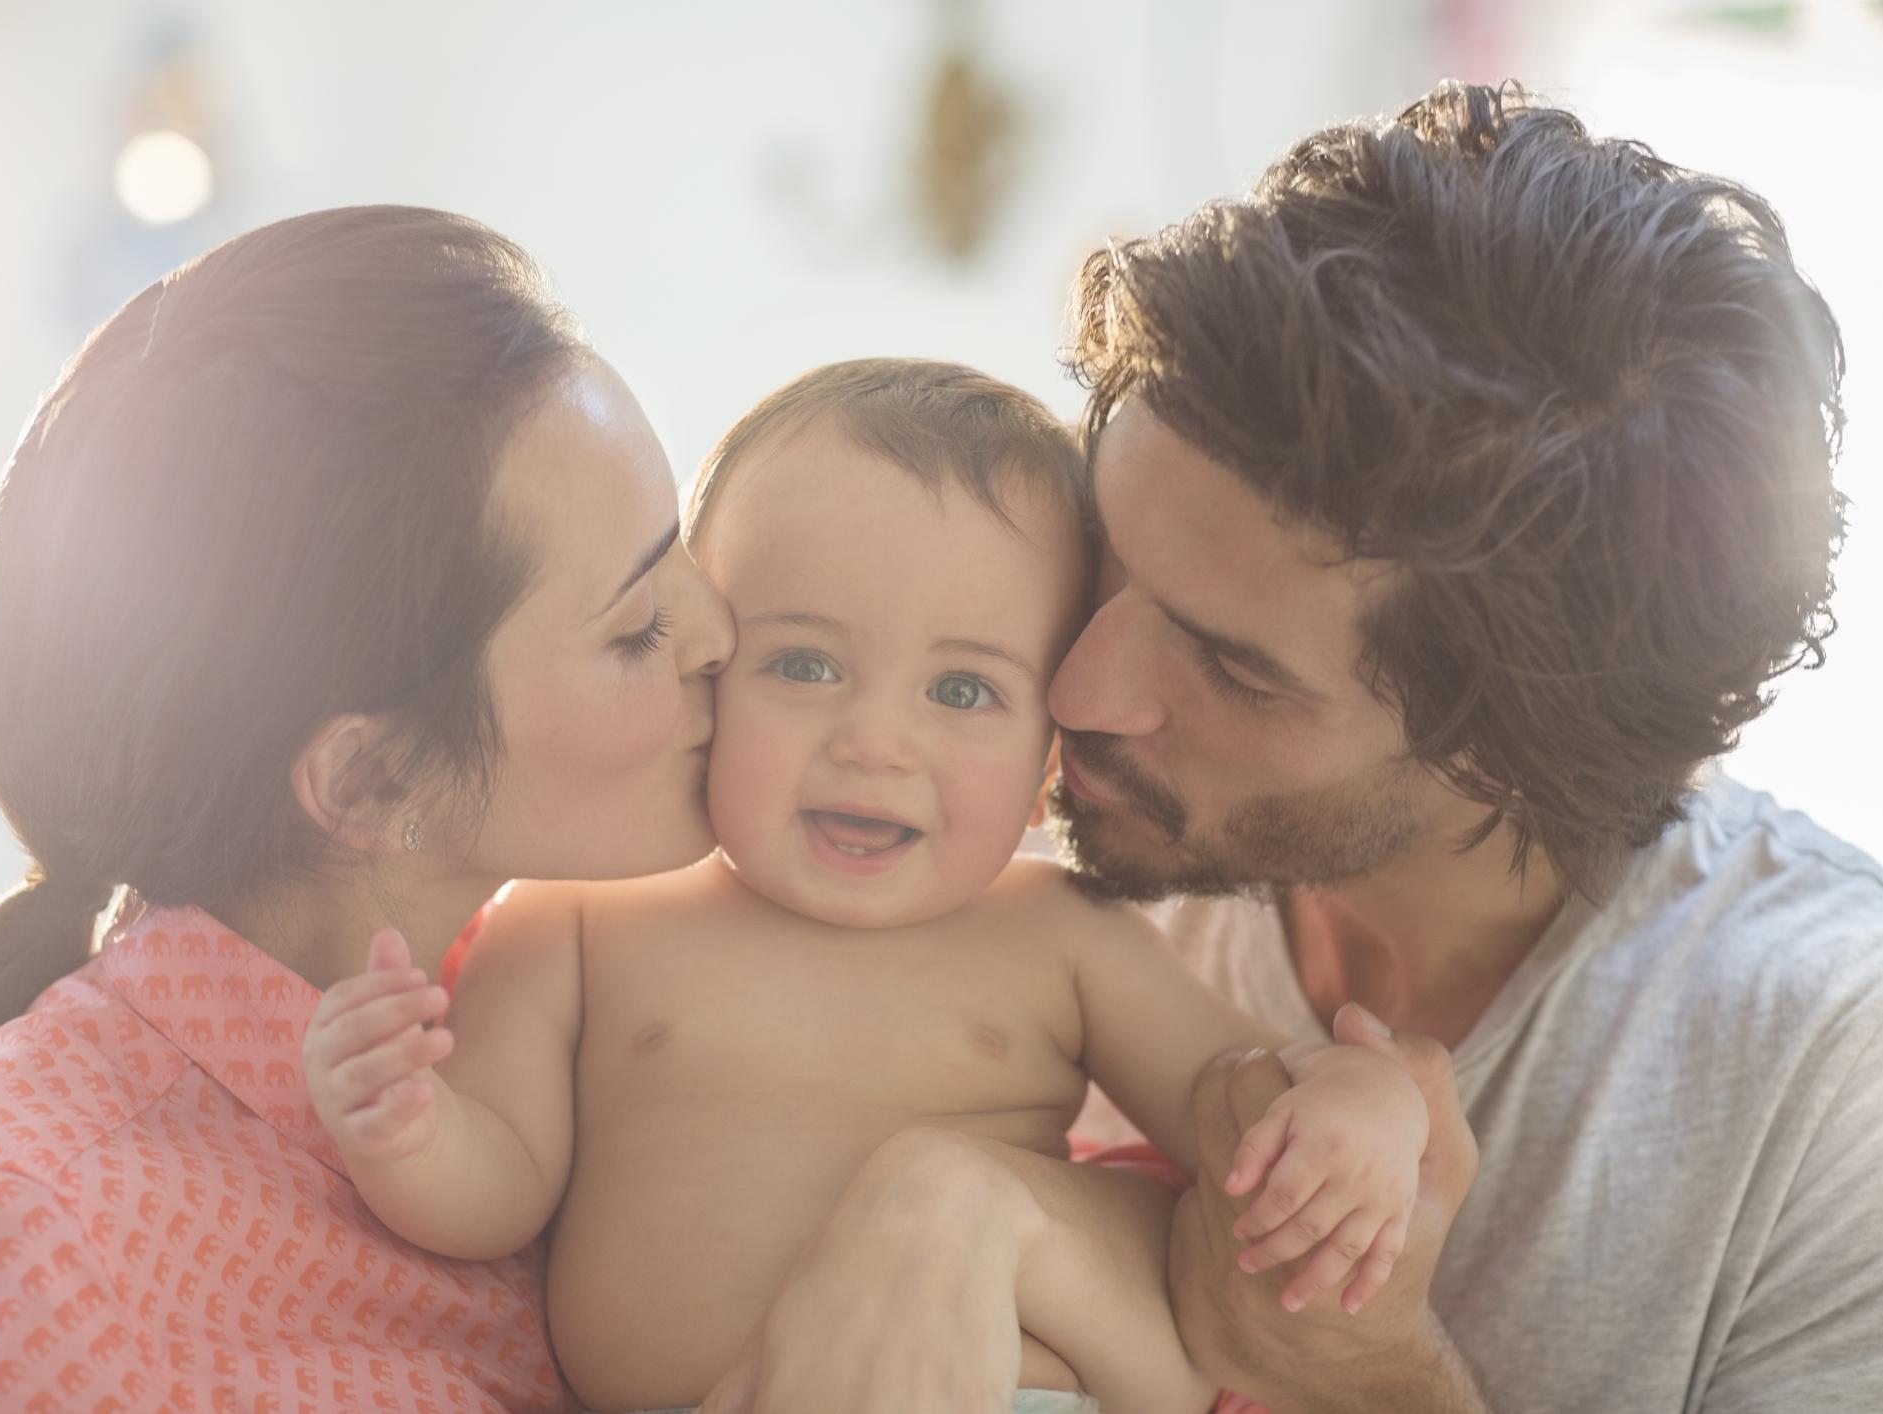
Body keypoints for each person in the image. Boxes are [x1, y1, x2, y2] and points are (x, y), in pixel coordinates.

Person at [703, 81, 1881, 1413]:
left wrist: (1374, 1377)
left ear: (1503, 749)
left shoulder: (1832, 1069)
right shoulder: (959, 831)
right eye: (1110, 548)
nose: (1078, 691)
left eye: (1227, 664)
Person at [301, 360, 1433, 1414]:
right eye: (804, 665)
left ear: (1050, 758)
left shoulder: (1055, 933)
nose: (876, 742)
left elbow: (1237, 1103)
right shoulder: (579, 916)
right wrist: (403, 1127)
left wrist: (1360, 1108)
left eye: (963, 690)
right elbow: (501, 1181)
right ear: (705, 666)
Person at [0, 205, 742, 1411]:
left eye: (684, 555)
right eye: (638, 630)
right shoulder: (31, 1235)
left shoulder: (606, 999)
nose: (721, 631)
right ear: (370, 781)